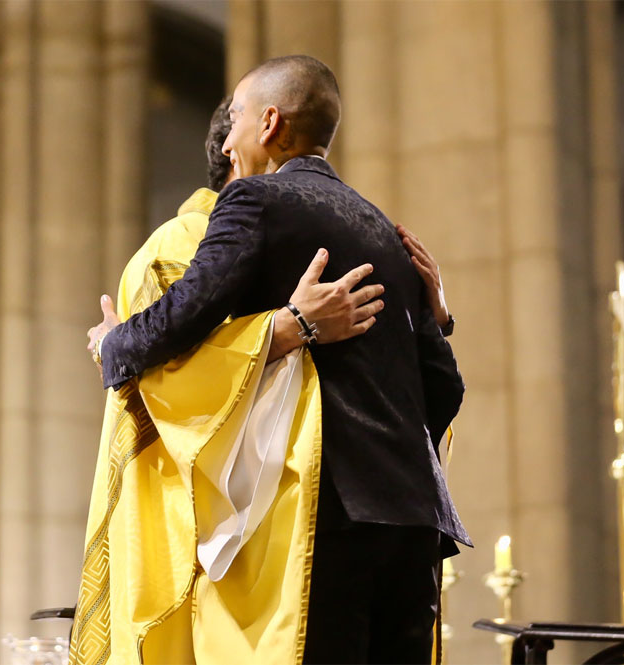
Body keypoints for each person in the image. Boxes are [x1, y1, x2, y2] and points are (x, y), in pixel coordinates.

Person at [90, 56, 470, 664]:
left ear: (269, 122)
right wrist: (440, 317)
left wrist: (114, 343)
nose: (229, 135)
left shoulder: (254, 202)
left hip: (327, 512)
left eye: (235, 116)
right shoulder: (388, 233)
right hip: (416, 521)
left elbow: (177, 321)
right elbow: (443, 392)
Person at [70, 97, 388, 665]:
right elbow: (157, 385)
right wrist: (285, 328)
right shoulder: (179, 244)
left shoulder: (310, 230)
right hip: (208, 522)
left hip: (294, 511)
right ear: (237, 148)